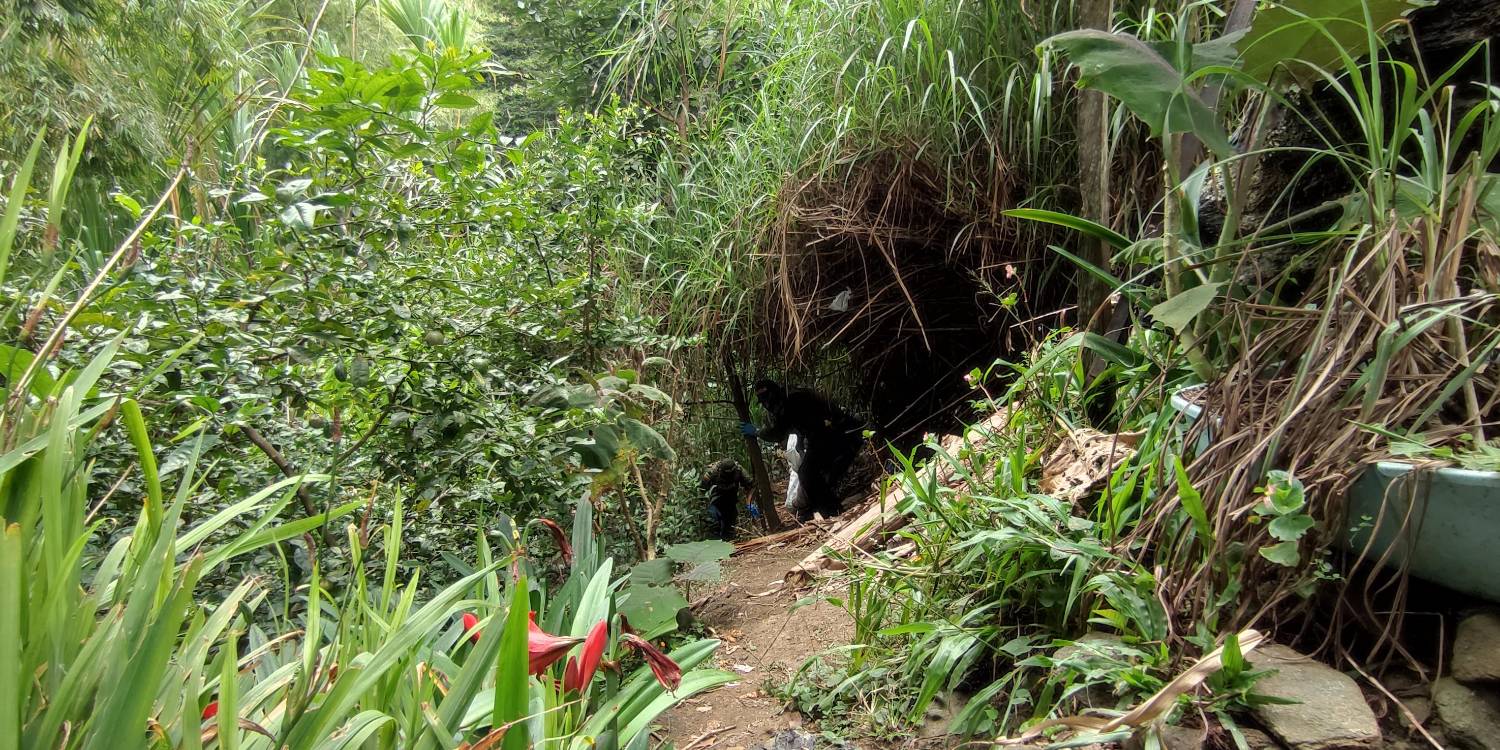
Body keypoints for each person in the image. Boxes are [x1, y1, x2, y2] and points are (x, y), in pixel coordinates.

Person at [742, 379, 865, 521]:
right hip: (828, 433)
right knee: (813, 472)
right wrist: (801, 442)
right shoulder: (790, 395)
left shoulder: (790, 400)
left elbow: (778, 432)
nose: (766, 405)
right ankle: (821, 507)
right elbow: (800, 423)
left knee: (808, 472)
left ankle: (831, 510)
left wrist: (757, 432)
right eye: (762, 401)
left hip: (835, 432)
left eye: (766, 399)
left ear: (773, 394)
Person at [699, 458, 752, 540]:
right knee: (713, 524)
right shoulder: (712, 472)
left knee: (729, 528)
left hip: (731, 500)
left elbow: (750, 487)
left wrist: (749, 503)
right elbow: (701, 490)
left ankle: (727, 544)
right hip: (715, 501)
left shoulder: (739, 470)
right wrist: (702, 506)